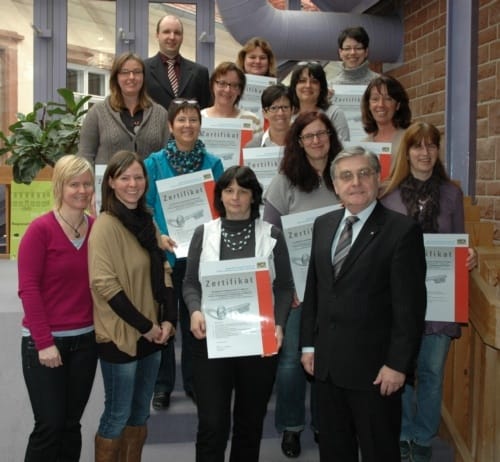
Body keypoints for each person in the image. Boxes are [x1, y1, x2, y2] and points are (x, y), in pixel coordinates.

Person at [300, 146, 427, 462]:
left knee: (379, 452)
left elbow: (410, 308)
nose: (355, 182)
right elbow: (314, 290)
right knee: (334, 451)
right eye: (346, 176)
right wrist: (309, 346)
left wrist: (398, 364)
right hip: (327, 368)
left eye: (363, 173)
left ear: (378, 179)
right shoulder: (323, 225)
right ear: (335, 185)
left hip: (376, 372)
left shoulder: (402, 231)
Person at [183, 165, 295, 462]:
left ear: (253, 196)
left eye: (243, 191)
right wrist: (194, 310)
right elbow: (190, 282)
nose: (235, 197)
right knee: (212, 424)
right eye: (229, 190)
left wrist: (280, 324)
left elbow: (285, 287)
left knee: (249, 423)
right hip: (211, 341)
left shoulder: (271, 235)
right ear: (219, 195)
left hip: (258, 343)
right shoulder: (203, 233)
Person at [380, 122, 476, 462]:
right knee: (402, 370)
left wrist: (470, 255)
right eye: (417, 146)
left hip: (440, 302)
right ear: (406, 152)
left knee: (432, 373)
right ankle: (403, 432)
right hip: (399, 302)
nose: (425, 152)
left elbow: (460, 241)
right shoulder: (387, 195)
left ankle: (423, 435)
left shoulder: (452, 194)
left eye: (431, 146)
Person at [263, 111, 343, 457]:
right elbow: (270, 237)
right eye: (308, 135)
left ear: (331, 136)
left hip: (338, 286)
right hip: (295, 289)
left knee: (333, 357)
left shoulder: (345, 175)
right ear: (298, 141)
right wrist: (287, 284)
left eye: (321, 133)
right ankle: (291, 426)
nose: (316, 141)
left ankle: (327, 423)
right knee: (289, 362)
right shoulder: (284, 182)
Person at [89, 150, 177, 461]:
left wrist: (168, 321)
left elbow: (163, 270)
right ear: (111, 182)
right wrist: (146, 326)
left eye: (138, 177)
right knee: (117, 415)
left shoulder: (147, 221)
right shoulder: (105, 226)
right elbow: (105, 285)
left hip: (153, 335)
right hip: (121, 336)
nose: (133, 184)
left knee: (140, 414)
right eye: (124, 177)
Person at [145, 99, 224, 410]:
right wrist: (157, 235)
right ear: (170, 125)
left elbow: (221, 207)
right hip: (165, 254)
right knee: (165, 318)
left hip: (200, 255)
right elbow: (146, 206)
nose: (188, 125)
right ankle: (162, 385)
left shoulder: (213, 163)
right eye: (181, 120)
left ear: (200, 125)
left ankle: (194, 381)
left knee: (195, 318)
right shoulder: (153, 163)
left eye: (193, 119)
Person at [18, 155, 97, 461]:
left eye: (87, 184)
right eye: (74, 184)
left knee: (71, 425)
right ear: (60, 187)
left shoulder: (96, 229)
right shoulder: (40, 230)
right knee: (49, 426)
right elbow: (28, 290)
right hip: (46, 344)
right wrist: (44, 342)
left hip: (86, 342)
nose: (82, 190)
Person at [78, 52, 169, 166]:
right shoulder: (97, 112)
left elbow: (167, 157)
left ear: (143, 76)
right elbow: (85, 156)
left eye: (137, 72)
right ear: (116, 77)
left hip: (150, 178)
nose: (131, 77)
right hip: (107, 178)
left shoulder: (160, 114)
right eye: (125, 72)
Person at [144, 14, 211, 111]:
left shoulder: (200, 72)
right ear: (157, 35)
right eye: (166, 32)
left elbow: (205, 111)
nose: (172, 37)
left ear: (182, 37)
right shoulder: (143, 70)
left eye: (177, 33)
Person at [289, 61, 350, 141]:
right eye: (302, 81)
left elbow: (344, 146)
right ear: (294, 86)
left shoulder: (334, 113)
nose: (308, 85)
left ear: (321, 87)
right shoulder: (286, 114)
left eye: (314, 81)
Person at [361, 74, 412, 164]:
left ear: (398, 105)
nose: (381, 104)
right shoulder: (364, 145)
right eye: (375, 99)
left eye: (388, 99)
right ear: (368, 105)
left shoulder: (410, 138)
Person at [201, 61, 263, 134]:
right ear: (212, 85)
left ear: (240, 90)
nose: (227, 90)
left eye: (234, 85)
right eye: (222, 83)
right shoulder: (199, 118)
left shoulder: (252, 120)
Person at [245, 83, 292, 148]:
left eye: (285, 107)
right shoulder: (252, 147)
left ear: (292, 110)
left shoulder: (303, 143)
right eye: (274, 108)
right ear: (264, 113)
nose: (280, 113)